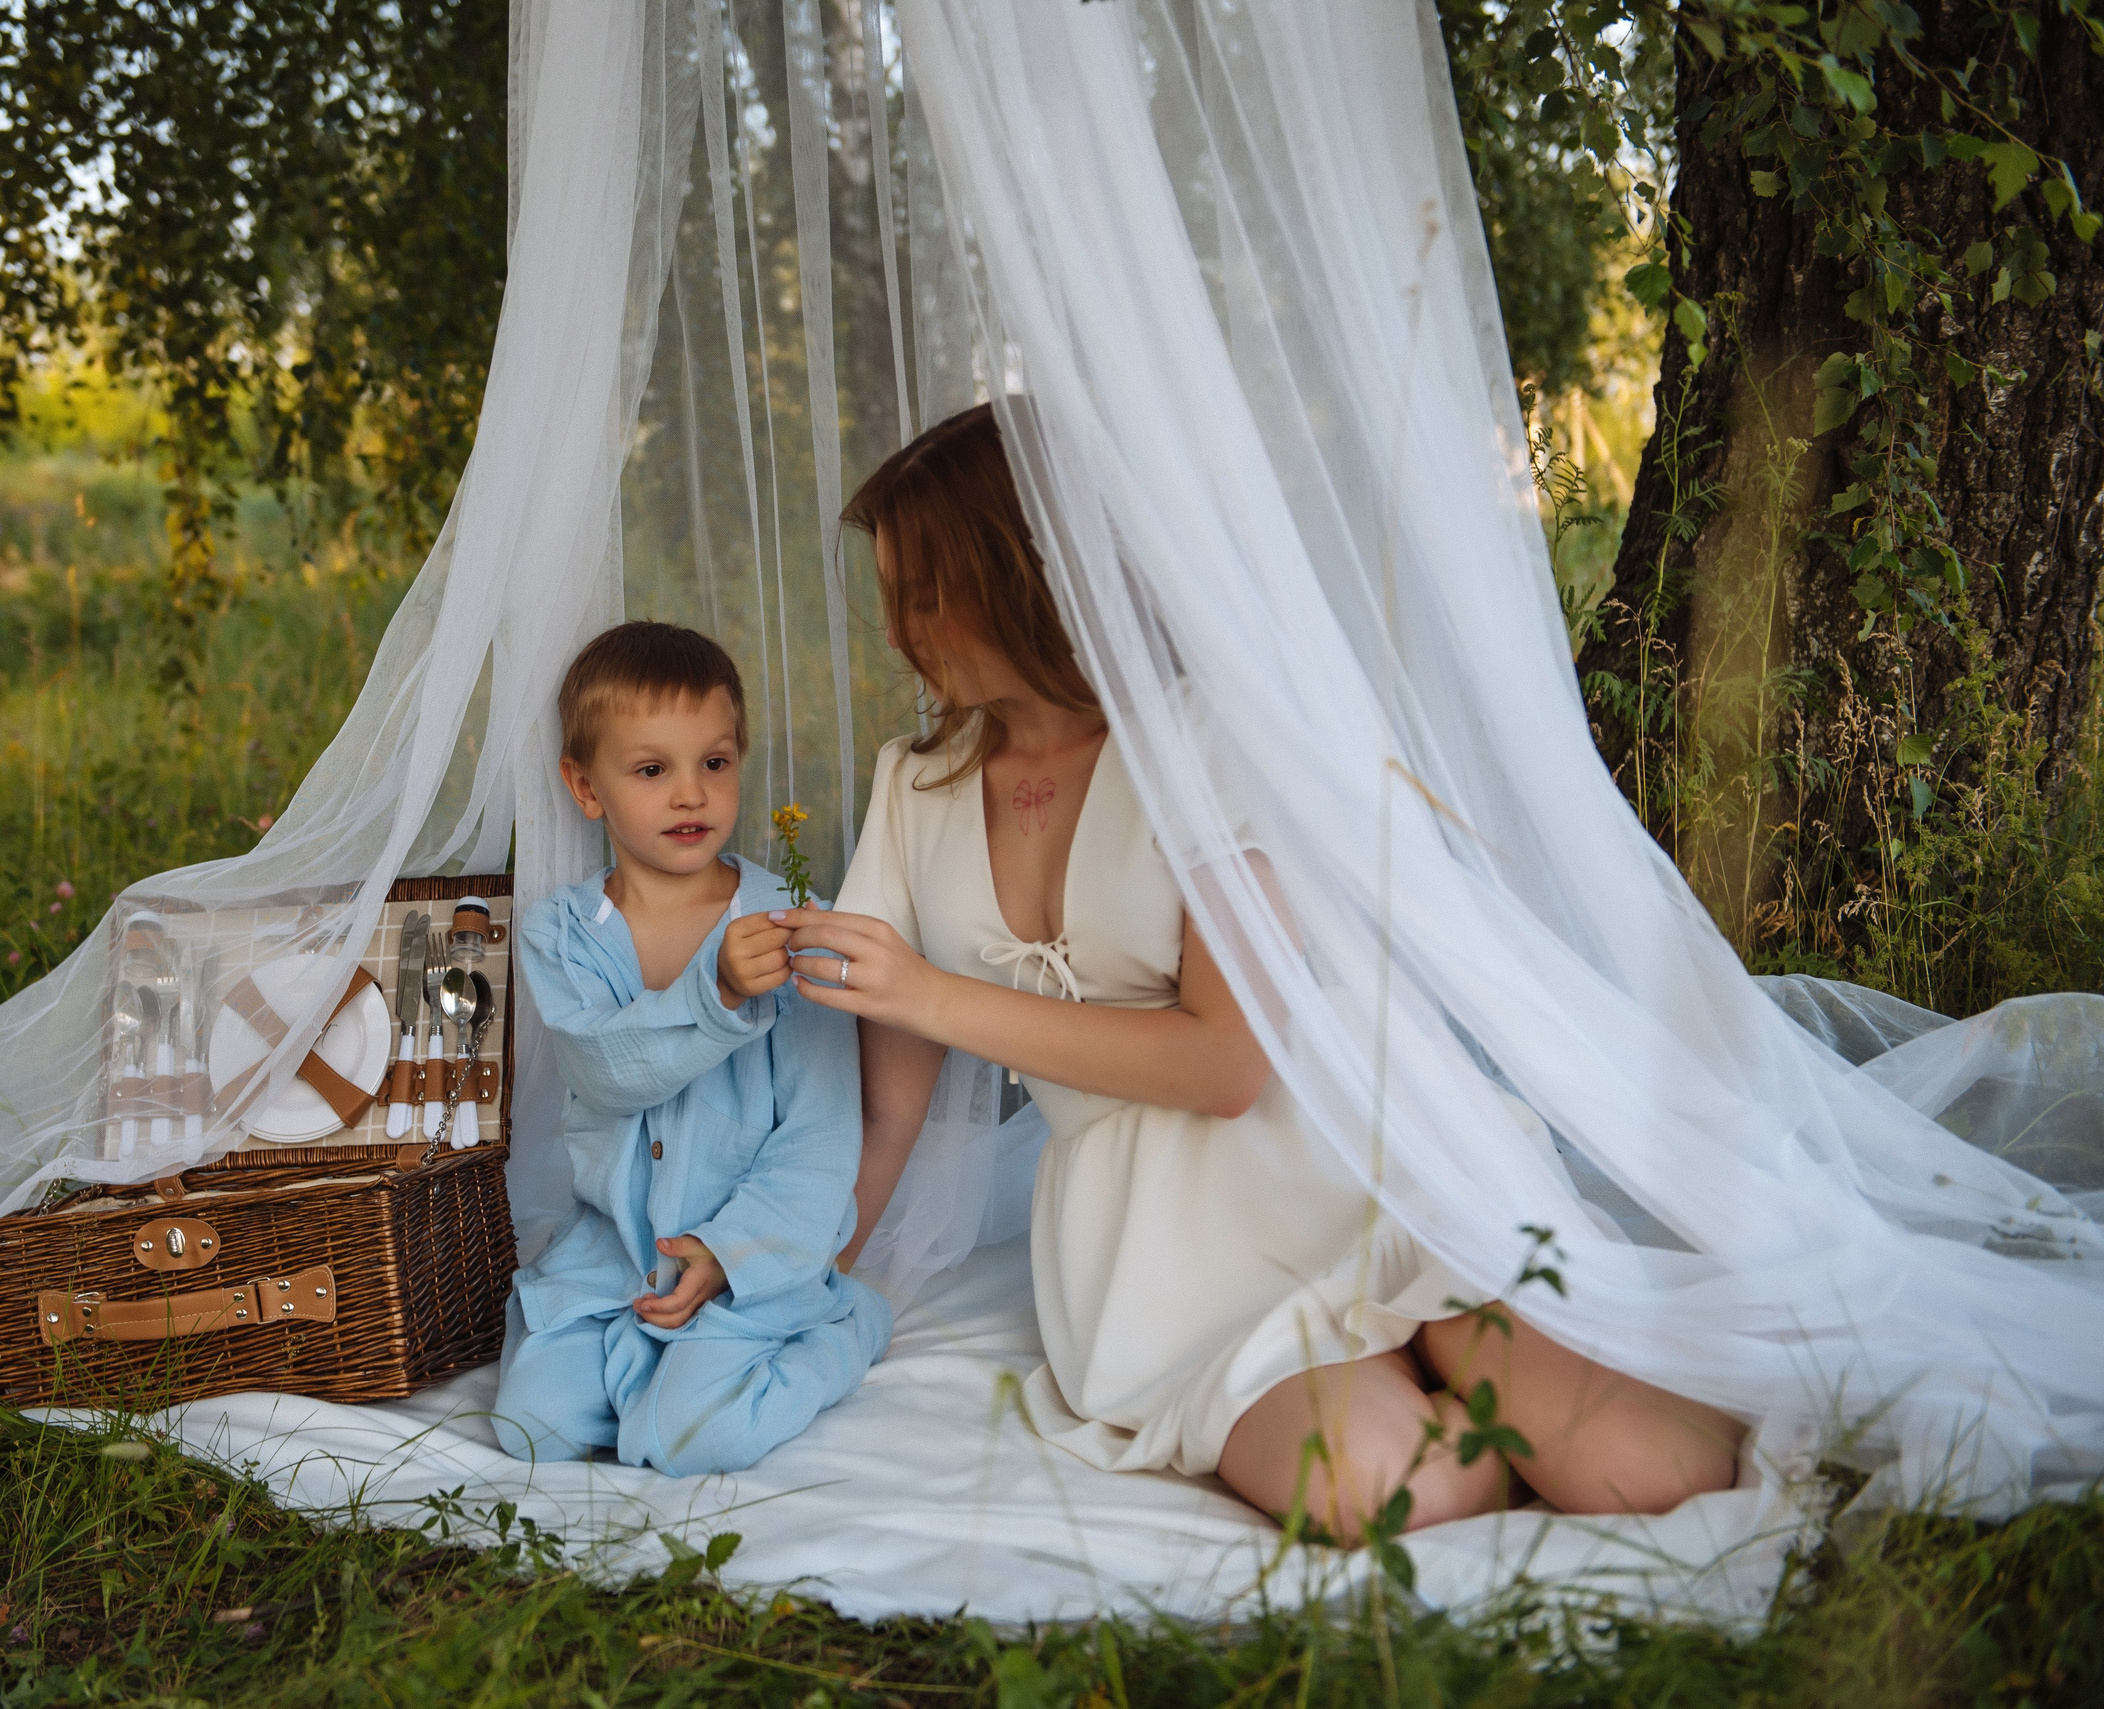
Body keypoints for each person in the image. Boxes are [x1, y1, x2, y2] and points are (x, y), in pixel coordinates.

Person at [763, 407, 1745, 1540]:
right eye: (894, 592)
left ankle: (1457, 1338)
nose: (900, 628)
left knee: (1642, 1465)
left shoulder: (1199, 735)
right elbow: (887, 1115)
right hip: (1157, 1254)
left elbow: (1227, 1062)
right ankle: (1431, 1382)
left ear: (1027, 574)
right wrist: (784, 1271)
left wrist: (929, 993)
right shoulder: (914, 782)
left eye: (928, 591)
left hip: (1344, 1151)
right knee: (1375, 1488)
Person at [490, 621, 892, 1475]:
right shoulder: (563, 935)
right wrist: (716, 995)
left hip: (748, 1251)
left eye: (714, 762)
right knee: (535, 1430)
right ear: (585, 787)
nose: (690, 795)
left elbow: (821, 1134)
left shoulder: (789, 924)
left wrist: (727, 1252)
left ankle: (843, 1326)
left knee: (679, 1440)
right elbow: (605, 1071)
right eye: (651, 769)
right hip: (614, 1252)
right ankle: (637, 1360)